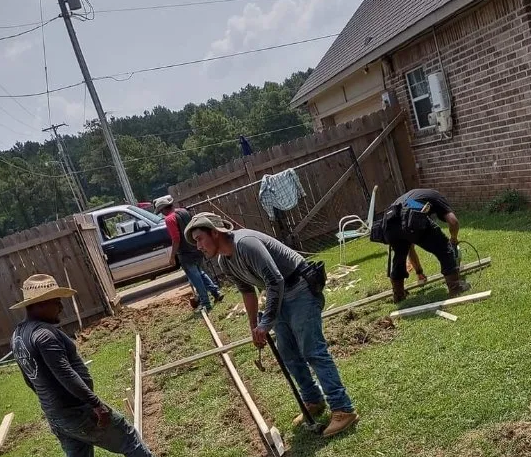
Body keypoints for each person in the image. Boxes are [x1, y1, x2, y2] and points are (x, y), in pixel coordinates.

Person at [10, 274, 189, 457]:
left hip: (57, 415)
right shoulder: (45, 336)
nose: (61, 306)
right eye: (55, 301)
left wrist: (50, 405)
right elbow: (66, 375)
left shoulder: (19, 336)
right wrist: (96, 404)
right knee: (127, 437)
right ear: (38, 305)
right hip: (78, 411)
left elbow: (30, 379)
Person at [184, 213, 359, 438]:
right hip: (281, 295)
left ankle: (343, 409)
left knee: (312, 351)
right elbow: (247, 291)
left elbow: (275, 280)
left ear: (215, 233)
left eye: (199, 239)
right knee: (288, 353)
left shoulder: (246, 244)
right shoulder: (224, 261)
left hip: (300, 288)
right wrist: (254, 326)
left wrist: (266, 322)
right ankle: (313, 399)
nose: (198, 246)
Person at [377, 188, 468, 302]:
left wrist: (419, 272)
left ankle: (398, 296)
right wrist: (453, 239)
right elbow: (453, 221)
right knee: (444, 249)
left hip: (388, 224)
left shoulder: (411, 199)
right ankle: (456, 288)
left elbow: (409, 243)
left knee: (399, 258)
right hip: (407, 219)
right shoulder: (437, 197)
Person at [153, 195, 223, 312]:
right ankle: (216, 292)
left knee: (196, 278)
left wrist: (172, 256)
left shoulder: (169, 219)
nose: (162, 214)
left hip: (185, 253)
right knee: (200, 273)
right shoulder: (183, 211)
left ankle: (206, 303)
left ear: (164, 209)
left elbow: (176, 239)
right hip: (196, 247)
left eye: (161, 211)